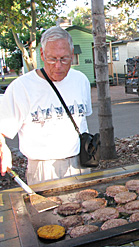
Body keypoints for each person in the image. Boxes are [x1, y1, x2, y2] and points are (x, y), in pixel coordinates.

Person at [0, 26, 92, 185]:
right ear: (42, 55)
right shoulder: (21, 87)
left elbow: (83, 121)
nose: (58, 66)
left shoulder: (81, 80)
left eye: (64, 59)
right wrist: (3, 149)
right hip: (43, 169)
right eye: (52, 59)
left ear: (72, 55)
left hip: (80, 163)